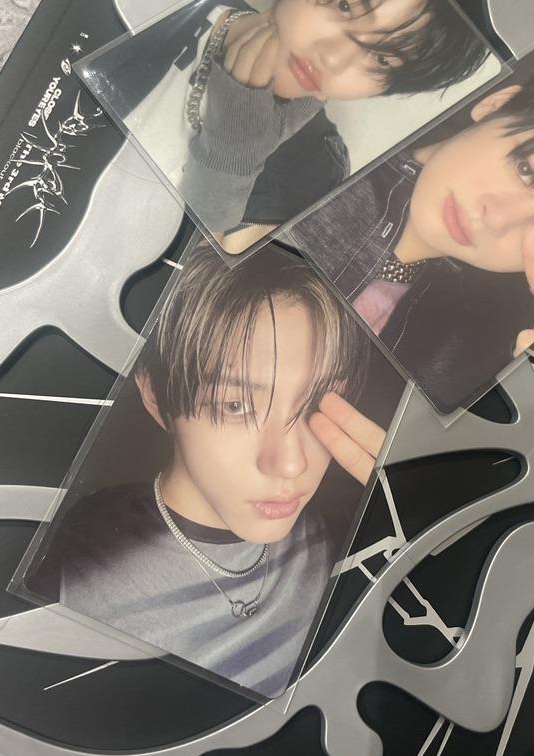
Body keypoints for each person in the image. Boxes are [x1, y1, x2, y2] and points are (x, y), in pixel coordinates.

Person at [28, 242, 389, 699]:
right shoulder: (72, 578)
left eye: (316, 401)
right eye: (236, 406)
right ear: (156, 398)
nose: (292, 463)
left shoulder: (352, 523)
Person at [78, 0, 489, 252]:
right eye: (345, 5)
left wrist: (232, 153)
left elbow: (185, 277)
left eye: (382, 58)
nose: (334, 58)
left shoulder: (316, 172)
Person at [288, 50, 534, 413]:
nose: (498, 219)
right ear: (496, 105)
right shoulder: (312, 164)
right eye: (526, 168)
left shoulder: (464, 349)